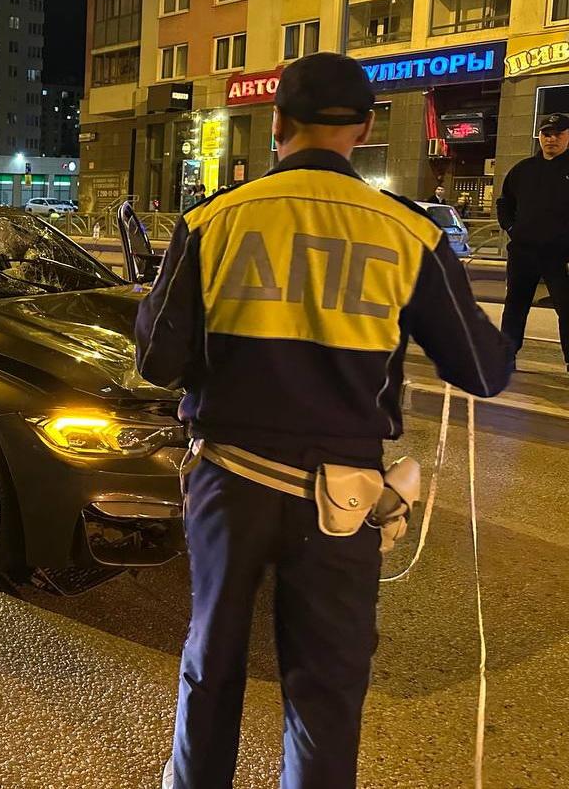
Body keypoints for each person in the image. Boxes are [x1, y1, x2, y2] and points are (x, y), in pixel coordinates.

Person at [136, 52, 513, 789]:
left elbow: (155, 358)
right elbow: (482, 368)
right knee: (326, 690)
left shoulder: (213, 220)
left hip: (228, 482)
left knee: (212, 662)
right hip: (343, 500)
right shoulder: (407, 232)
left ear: (276, 124)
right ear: (366, 128)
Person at [496, 112, 569, 371]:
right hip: (523, 252)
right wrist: (512, 228)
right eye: (546, 134)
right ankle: (506, 356)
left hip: (560, 255)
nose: (551, 139)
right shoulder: (522, 170)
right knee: (515, 305)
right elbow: (504, 203)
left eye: (558, 134)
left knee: (567, 309)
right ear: (539, 136)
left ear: (568, 136)